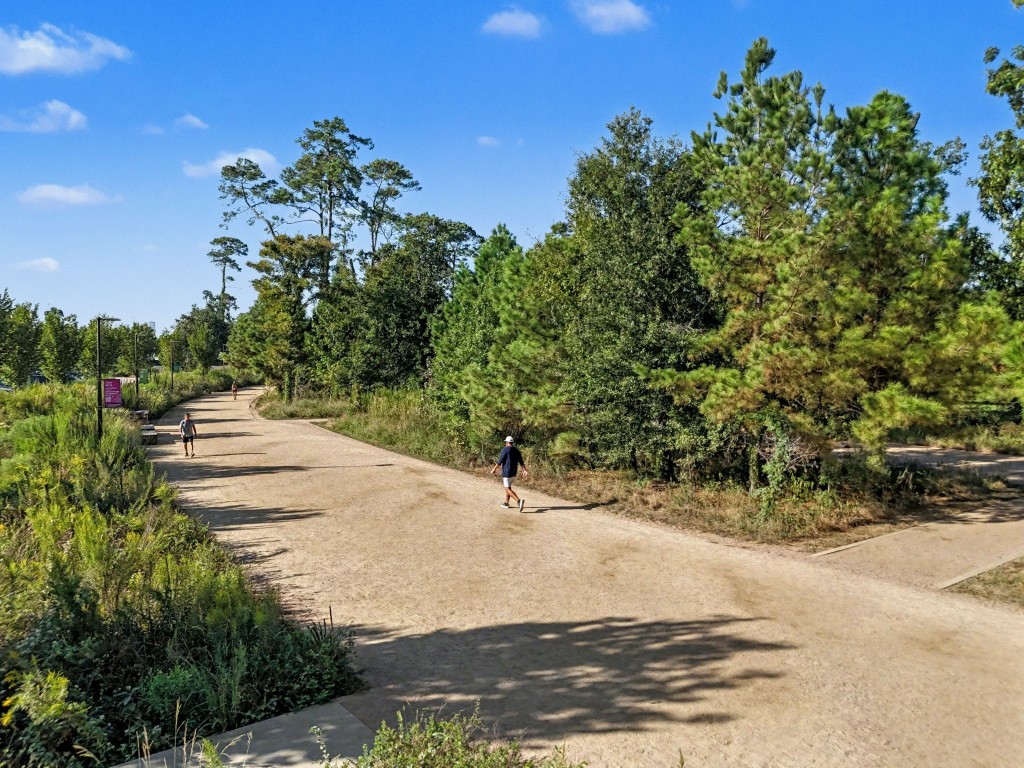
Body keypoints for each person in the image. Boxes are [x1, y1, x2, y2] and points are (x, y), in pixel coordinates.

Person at [490, 435, 527, 511]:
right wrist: (524, 470)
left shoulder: (504, 450)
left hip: (507, 472)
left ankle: (519, 501)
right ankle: (506, 503)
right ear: (512, 442)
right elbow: (521, 461)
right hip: (513, 472)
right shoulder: (516, 450)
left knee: (507, 489)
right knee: (508, 487)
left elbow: (500, 461)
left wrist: (494, 469)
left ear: (506, 442)